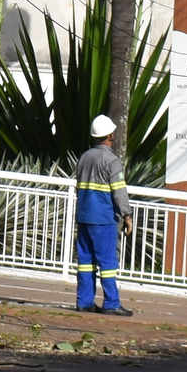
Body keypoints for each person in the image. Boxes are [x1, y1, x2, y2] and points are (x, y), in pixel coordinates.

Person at [72, 113, 127, 314]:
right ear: (110, 136)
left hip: (84, 216)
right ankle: (111, 303)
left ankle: (84, 302)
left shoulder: (84, 158)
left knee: (85, 262)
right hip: (103, 218)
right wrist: (126, 215)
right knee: (107, 262)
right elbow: (119, 191)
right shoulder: (112, 161)